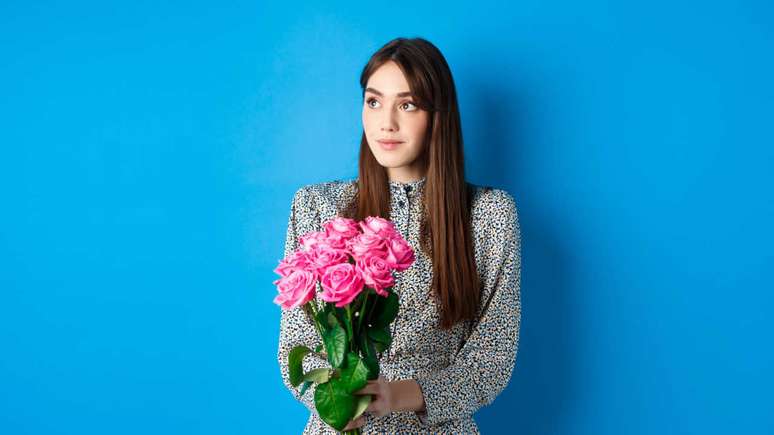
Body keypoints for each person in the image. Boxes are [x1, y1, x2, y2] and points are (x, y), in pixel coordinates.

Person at [277, 36, 521, 434]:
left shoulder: (490, 215)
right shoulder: (318, 208)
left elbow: (491, 357)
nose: (385, 122)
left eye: (407, 105)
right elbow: (297, 344)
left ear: (437, 116)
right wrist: (342, 400)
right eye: (373, 102)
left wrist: (399, 394)